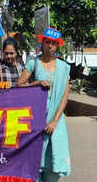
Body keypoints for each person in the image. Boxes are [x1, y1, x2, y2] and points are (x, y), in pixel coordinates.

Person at [17, 28, 71, 182]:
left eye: (54, 43)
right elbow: (19, 86)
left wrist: (54, 121)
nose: (50, 46)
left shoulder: (63, 67)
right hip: (36, 119)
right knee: (34, 166)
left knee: (54, 165)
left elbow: (64, 96)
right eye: (47, 42)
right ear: (42, 43)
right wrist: (36, 83)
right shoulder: (33, 63)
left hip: (56, 120)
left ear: (57, 46)